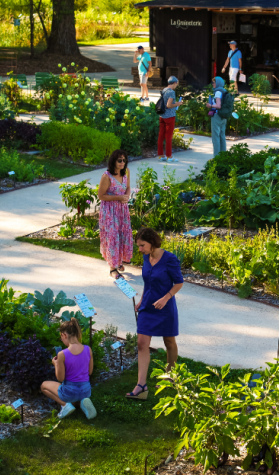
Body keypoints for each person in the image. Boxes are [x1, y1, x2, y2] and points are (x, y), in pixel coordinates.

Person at [126, 228, 184, 400]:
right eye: (139, 246)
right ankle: (141, 386)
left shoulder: (169, 259)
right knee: (142, 343)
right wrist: (142, 301)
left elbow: (179, 282)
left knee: (169, 342)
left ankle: (170, 376)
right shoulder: (146, 257)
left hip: (164, 307)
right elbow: (148, 283)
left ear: (152, 242)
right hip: (148, 307)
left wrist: (166, 298)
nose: (140, 249)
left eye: (142, 245)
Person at [40, 318, 97, 419]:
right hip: (86, 390)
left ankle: (65, 405)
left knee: (44, 386)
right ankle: (82, 403)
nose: (61, 340)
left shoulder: (62, 354)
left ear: (64, 335)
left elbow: (60, 378)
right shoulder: (88, 349)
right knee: (77, 394)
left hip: (70, 391)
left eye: (61, 337)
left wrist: (56, 364)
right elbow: (90, 372)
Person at [98, 149, 133, 279]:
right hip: (110, 211)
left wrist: (126, 196)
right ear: (113, 161)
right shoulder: (107, 177)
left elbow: (128, 187)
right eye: (119, 160)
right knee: (112, 236)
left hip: (122, 210)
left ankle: (119, 261)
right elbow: (101, 196)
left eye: (124, 160)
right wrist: (118, 198)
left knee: (122, 234)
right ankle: (112, 268)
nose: (122, 163)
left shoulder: (126, 172)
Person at [158, 76, 184, 163]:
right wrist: (178, 103)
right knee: (169, 137)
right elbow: (169, 105)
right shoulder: (171, 92)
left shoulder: (164, 90)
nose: (177, 85)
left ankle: (161, 155)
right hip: (170, 116)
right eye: (177, 84)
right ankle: (169, 156)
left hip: (162, 115)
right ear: (174, 83)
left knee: (161, 135)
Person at [207, 76, 228, 156]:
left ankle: (216, 157)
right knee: (222, 136)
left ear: (218, 83)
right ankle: (223, 156)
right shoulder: (224, 91)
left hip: (217, 116)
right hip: (223, 116)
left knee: (215, 137)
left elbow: (218, 106)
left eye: (214, 82)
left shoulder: (218, 92)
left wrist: (210, 105)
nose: (213, 84)